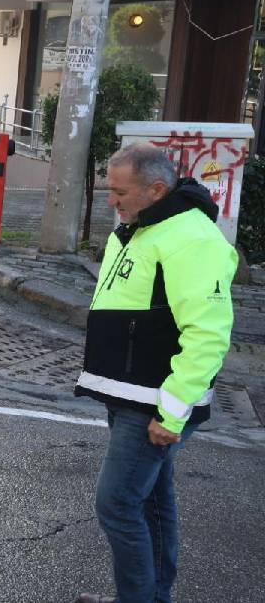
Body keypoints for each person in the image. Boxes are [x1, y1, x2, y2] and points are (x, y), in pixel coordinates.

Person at [73, 144, 237, 603]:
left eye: (120, 192)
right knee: (150, 502)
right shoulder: (141, 227)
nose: (111, 201)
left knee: (118, 503)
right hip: (131, 393)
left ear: (157, 190)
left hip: (155, 401)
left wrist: (173, 412)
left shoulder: (192, 238)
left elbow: (207, 332)